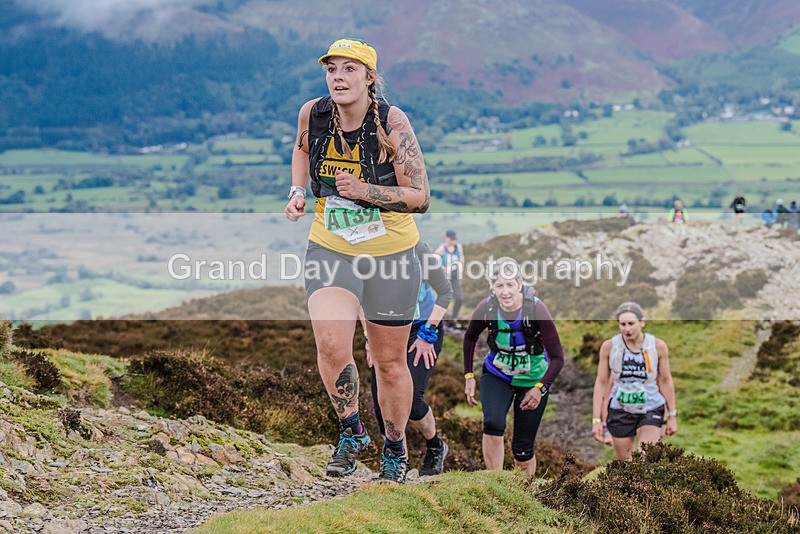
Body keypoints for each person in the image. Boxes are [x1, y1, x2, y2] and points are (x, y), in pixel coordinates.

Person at [284, 38, 430, 483]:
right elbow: (303, 149)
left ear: (369, 77)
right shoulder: (314, 112)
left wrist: (367, 192)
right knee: (330, 345)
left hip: (390, 253)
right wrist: (297, 192)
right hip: (331, 244)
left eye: (350, 69)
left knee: (388, 362)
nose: (339, 77)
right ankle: (351, 432)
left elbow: (420, 197)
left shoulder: (392, 121)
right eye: (332, 69)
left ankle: (394, 448)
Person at [463, 257, 564, 476]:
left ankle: (524, 494)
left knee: (523, 448)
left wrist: (540, 389)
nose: (505, 291)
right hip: (497, 374)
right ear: (492, 288)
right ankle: (495, 482)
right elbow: (470, 338)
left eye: (510, 285)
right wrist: (469, 376)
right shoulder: (486, 307)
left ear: (520, 285)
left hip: (532, 380)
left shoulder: (537, 310)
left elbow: (558, 358)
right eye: (499, 285)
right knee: (493, 423)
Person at [366, 242, 453, 476]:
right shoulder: (367, 249)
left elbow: (445, 291)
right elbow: (361, 298)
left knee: (412, 402)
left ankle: (436, 446)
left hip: (422, 330)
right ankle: (396, 465)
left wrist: (428, 334)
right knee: (380, 406)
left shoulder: (417, 249)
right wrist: (368, 338)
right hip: (385, 331)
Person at [591, 302, 678, 460]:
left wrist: (672, 415)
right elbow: (601, 383)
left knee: (646, 458)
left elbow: (666, 381)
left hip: (651, 407)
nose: (627, 329)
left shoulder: (657, 346)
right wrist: (596, 419)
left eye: (631, 323)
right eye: (622, 324)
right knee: (627, 464)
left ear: (642, 322)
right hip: (620, 408)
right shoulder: (609, 347)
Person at [435, 230, 464, 319]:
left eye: (454, 239)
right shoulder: (442, 248)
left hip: (455, 276)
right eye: (451, 239)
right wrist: (442, 268)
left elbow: (462, 257)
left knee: (459, 298)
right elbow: (433, 260)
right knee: (444, 298)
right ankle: (440, 317)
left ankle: (454, 317)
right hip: (445, 277)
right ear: (446, 238)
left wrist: (461, 267)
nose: (453, 241)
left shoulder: (458, 247)